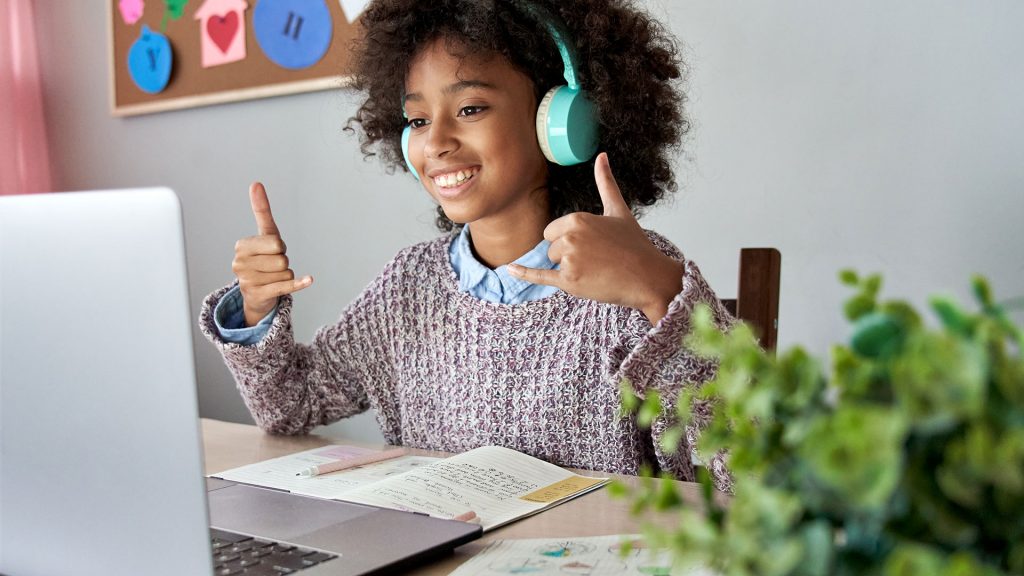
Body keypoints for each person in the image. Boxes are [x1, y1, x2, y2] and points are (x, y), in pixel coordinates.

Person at [199, 0, 734, 491]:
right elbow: (288, 407)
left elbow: (753, 471)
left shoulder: (634, 274)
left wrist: (662, 295)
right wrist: (256, 308)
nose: (436, 142)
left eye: (471, 108)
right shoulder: (407, 288)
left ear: (560, 120)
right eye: (417, 119)